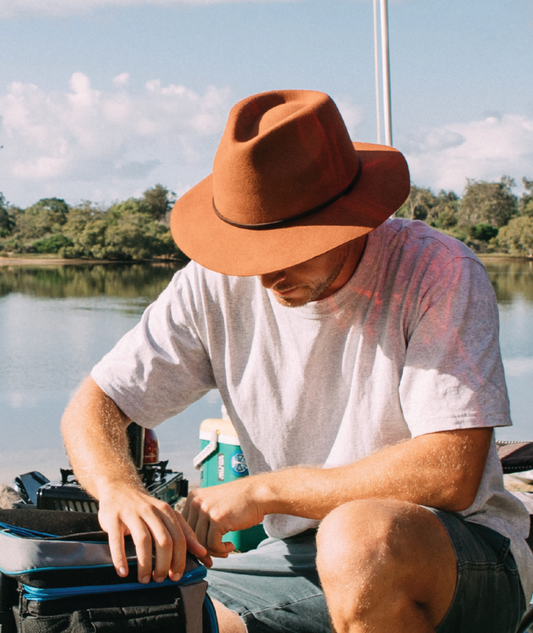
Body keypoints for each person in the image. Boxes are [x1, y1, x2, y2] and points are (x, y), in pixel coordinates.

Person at [62, 89, 533, 633]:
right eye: (248, 250)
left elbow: (449, 471)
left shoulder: (438, 271)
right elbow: (96, 403)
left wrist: (263, 491)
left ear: (349, 218)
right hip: (298, 559)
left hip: (458, 552)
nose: (263, 276)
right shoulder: (212, 284)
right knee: (134, 616)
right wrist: (119, 488)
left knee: (355, 538)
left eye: (284, 248)